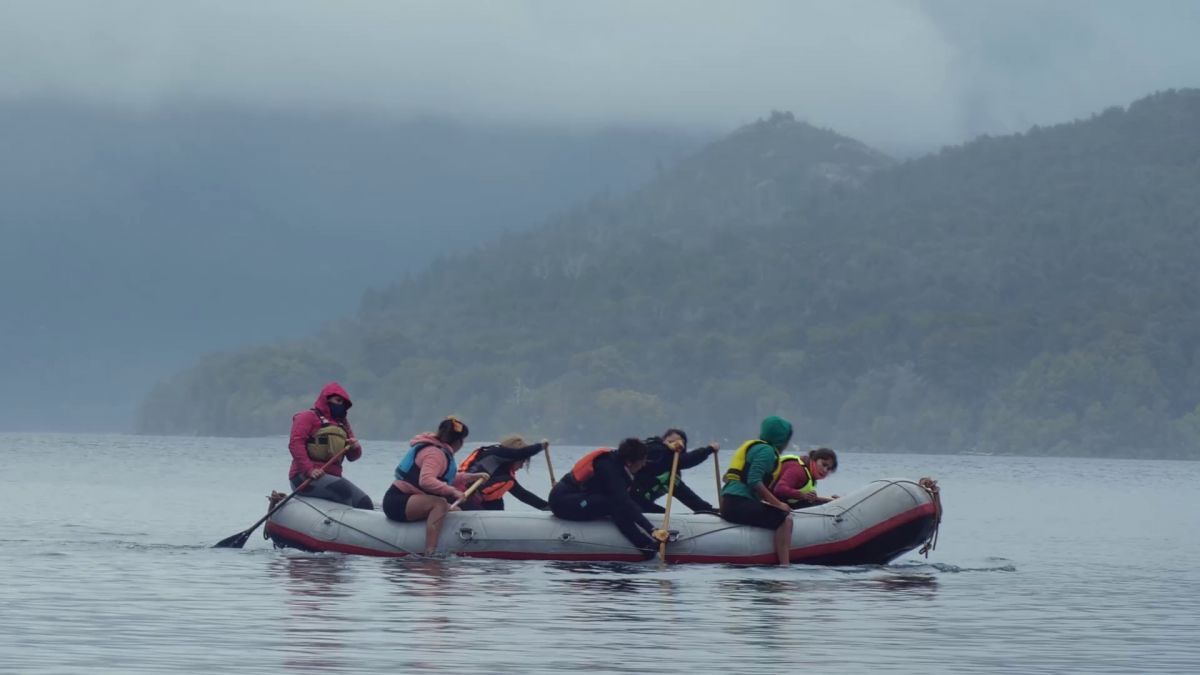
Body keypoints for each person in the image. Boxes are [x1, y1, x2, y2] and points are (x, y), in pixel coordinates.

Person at [382, 416, 488, 556]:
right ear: (458, 442)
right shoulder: (435, 453)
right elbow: (426, 480)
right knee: (440, 504)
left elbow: (446, 478)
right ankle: (430, 551)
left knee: (454, 508)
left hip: (413, 500)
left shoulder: (440, 451)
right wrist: (453, 492)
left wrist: (471, 477)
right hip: (398, 501)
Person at [548, 438, 668, 560]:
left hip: (581, 499)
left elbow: (655, 465)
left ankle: (647, 545)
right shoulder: (608, 467)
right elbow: (623, 501)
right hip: (563, 503)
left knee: (617, 504)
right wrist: (652, 529)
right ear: (630, 462)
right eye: (642, 461)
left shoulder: (621, 462)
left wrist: (670, 449)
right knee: (616, 504)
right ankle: (646, 547)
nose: (644, 464)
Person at [719, 415, 795, 566]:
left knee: (775, 513)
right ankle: (785, 566)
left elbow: (727, 478)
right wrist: (778, 504)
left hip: (728, 502)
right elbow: (754, 481)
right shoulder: (767, 452)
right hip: (738, 504)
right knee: (785, 519)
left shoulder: (754, 447)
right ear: (782, 439)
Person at [287, 381, 373, 509]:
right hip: (304, 478)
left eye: (342, 403)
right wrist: (309, 470)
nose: (340, 405)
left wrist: (356, 448)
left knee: (364, 502)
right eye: (337, 401)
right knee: (342, 489)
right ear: (326, 399)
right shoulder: (307, 417)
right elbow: (295, 444)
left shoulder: (342, 424)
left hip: (333, 477)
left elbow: (352, 457)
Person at [631, 428, 719, 514]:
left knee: (664, 512)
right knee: (661, 514)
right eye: (671, 441)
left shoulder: (671, 472)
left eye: (679, 443)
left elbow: (686, 495)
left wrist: (708, 510)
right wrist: (709, 449)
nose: (675, 444)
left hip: (641, 502)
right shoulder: (654, 450)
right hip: (627, 498)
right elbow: (686, 460)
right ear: (664, 440)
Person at [458, 435, 550, 511]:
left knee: (498, 500)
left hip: (475, 499)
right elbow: (521, 453)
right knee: (508, 483)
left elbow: (522, 494)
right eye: (522, 462)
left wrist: (548, 507)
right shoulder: (495, 454)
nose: (521, 466)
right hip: (462, 498)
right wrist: (541, 446)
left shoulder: (502, 472)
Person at [771, 447, 839, 509]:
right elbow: (779, 489)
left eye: (829, 468)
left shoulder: (810, 473)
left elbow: (806, 497)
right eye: (824, 464)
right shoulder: (798, 470)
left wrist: (831, 500)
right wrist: (803, 496)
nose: (825, 470)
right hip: (767, 503)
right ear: (814, 459)